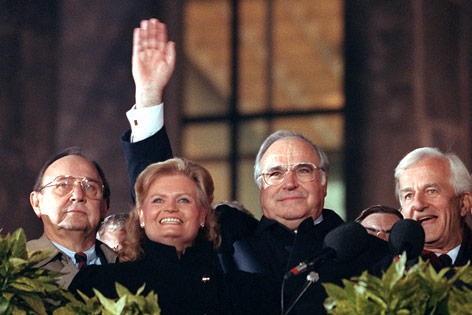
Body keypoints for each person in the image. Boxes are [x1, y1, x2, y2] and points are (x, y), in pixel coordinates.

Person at [70, 158, 277, 314]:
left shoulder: (245, 291)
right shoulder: (97, 285)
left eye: (184, 200)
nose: (170, 208)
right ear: (142, 215)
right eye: (158, 200)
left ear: (203, 214)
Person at [27, 147, 119, 288]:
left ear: (105, 205)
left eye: (89, 187)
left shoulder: (128, 266)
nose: (78, 195)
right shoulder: (14, 265)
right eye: (63, 185)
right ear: (37, 203)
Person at [395, 147, 472, 269]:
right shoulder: (386, 270)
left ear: (464, 203)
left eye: (431, 191)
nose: (419, 204)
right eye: (409, 195)